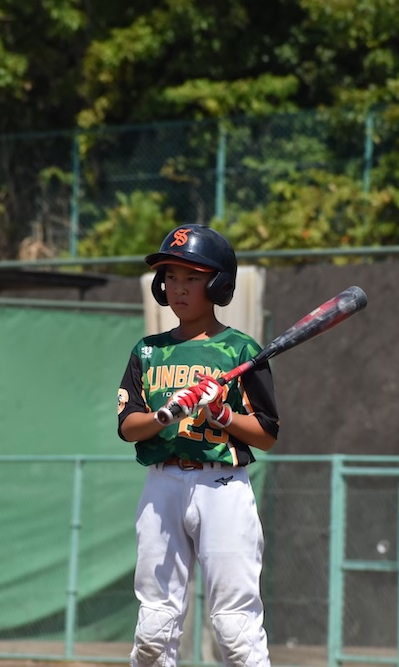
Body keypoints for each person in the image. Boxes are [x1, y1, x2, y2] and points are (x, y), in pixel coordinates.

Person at [116, 224, 280, 667]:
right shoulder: (148, 351)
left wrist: (220, 415)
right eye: (170, 277)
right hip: (162, 484)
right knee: (154, 628)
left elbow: (266, 433)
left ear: (219, 285)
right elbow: (128, 426)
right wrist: (165, 415)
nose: (178, 288)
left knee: (234, 628)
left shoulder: (240, 350)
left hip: (222, 486)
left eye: (192, 277)